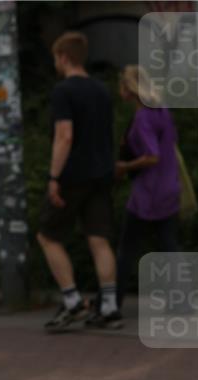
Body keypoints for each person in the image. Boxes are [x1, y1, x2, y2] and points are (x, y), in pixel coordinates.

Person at [37, 31, 121, 331]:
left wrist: (54, 177)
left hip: (73, 175)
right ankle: (110, 305)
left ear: (62, 57)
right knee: (98, 238)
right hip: (102, 174)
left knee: (48, 235)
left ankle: (72, 300)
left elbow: (65, 135)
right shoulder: (101, 90)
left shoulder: (64, 91)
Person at [114, 65, 181, 310]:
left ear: (129, 89)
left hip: (148, 192)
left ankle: (113, 301)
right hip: (170, 187)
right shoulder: (163, 110)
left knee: (127, 248)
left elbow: (152, 155)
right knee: (169, 246)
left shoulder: (142, 116)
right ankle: (179, 300)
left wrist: (125, 166)